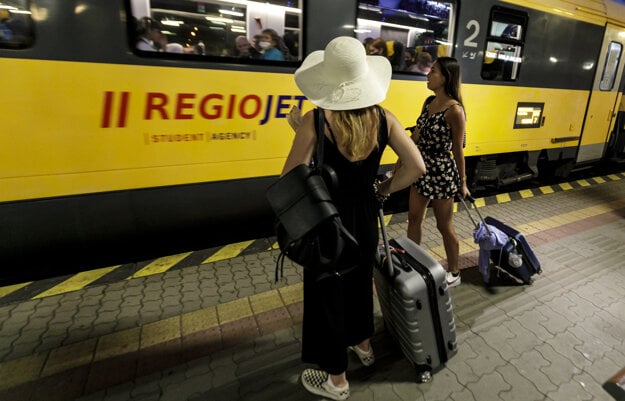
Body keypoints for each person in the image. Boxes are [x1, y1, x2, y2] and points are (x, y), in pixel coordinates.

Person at [283, 36, 425, 400]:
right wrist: (383, 190)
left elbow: (290, 177)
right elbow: (416, 167)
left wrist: (299, 132)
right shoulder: (384, 118)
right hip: (364, 213)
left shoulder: (316, 121)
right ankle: (363, 346)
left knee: (328, 291)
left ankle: (337, 381)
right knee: (360, 280)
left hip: (328, 218)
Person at [407, 56, 470, 288]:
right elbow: (416, 135)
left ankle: (454, 270)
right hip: (420, 168)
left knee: (444, 225)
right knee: (414, 218)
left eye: (432, 71)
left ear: (445, 78)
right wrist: (401, 160)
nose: (427, 74)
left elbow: (458, 150)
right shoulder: (428, 102)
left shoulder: (455, 110)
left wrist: (462, 183)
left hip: (442, 173)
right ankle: (413, 262)